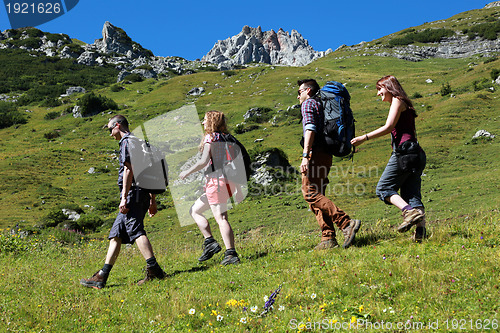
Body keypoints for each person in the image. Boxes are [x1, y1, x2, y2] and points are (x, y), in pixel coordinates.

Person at [80, 115, 166, 289]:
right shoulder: (140, 143)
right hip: (141, 193)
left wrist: (124, 197)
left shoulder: (127, 142)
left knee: (135, 229)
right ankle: (101, 276)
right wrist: (152, 200)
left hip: (133, 194)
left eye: (111, 130)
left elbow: (129, 169)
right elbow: (148, 172)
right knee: (116, 234)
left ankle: (155, 270)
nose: (111, 134)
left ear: (117, 126)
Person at [351, 75, 427, 242]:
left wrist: (364, 138)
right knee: (412, 194)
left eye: (380, 89)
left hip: (405, 152)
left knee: (383, 188)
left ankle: (408, 211)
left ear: (389, 86)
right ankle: (420, 234)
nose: (378, 94)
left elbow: (389, 127)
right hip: (416, 153)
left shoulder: (397, 101)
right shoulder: (405, 103)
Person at [297, 79, 361, 250]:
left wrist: (305, 154)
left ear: (308, 90)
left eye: (299, 92)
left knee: (310, 193)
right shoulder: (321, 104)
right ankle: (328, 238)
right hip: (326, 154)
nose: (298, 96)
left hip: (315, 152)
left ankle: (346, 223)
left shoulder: (309, 103)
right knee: (318, 197)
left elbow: (310, 128)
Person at [179, 111, 241, 265]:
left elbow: (204, 160)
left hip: (216, 182)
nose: (203, 123)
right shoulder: (227, 138)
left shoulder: (211, 137)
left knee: (221, 218)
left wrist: (187, 171)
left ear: (212, 121)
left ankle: (230, 254)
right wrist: (238, 188)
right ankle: (210, 243)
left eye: (205, 120)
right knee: (195, 210)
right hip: (227, 182)